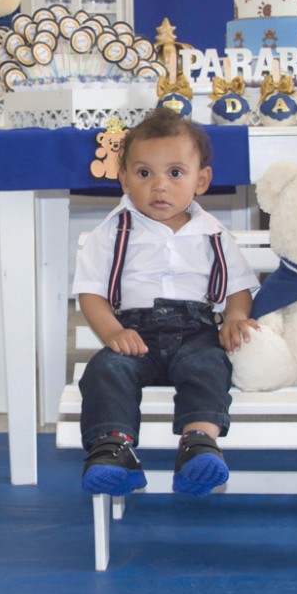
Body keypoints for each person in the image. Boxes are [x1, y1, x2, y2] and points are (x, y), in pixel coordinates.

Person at [72, 107, 260, 497]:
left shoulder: (214, 234)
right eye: (144, 173)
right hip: (134, 334)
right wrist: (113, 332)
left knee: (210, 365)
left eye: (175, 173)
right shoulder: (113, 232)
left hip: (196, 332)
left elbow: (238, 287)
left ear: (201, 180)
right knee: (106, 371)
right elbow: (91, 292)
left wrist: (235, 316)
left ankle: (198, 444)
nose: (159, 186)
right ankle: (113, 448)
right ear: (124, 178)